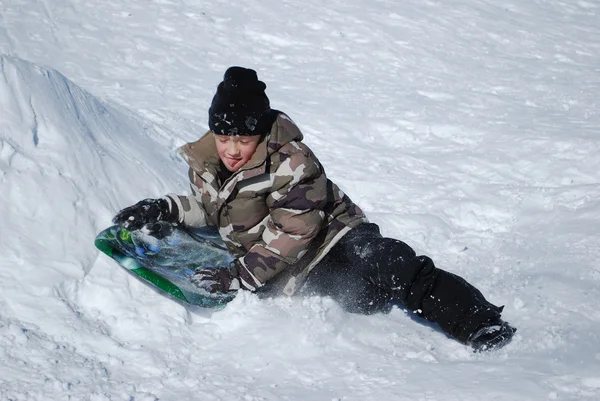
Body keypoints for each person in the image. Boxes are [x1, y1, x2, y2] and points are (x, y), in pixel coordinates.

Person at [113, 66, 516, 352]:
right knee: (361, 299)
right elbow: (210, 207)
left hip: (334, 239)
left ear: (260, 131)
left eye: (244, 137)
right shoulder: (207, 163)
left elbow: (297, 231)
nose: (233, 149)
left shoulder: (294, 162)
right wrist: (163, 207)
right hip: (295, 271)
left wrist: (242, 274)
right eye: (224, 137)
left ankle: (480, 322)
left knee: (392, 264)